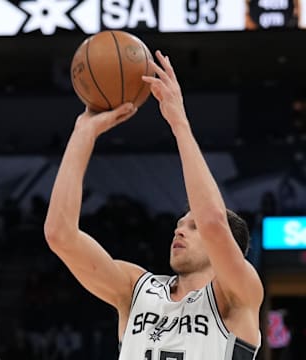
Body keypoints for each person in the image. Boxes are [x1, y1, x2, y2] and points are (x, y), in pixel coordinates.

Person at [44, 50, 264, 360]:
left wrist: (179, 122)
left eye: (192, 225)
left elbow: (213, 221)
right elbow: (59, 234)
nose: (180, 229)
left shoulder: (238, 294)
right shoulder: (135, 290)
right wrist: (84, 133)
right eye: (180, 222)